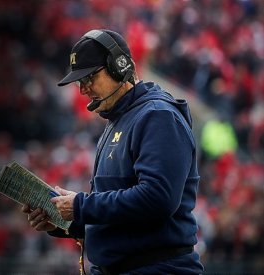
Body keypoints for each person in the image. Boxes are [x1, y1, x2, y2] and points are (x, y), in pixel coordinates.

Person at [21, 29, 204, 274]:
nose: (83, 89)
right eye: (79, 82)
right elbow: (122, 217)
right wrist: (64, 220)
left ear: (119, 67)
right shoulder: (119, 120)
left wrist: (81, 206)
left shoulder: (157, 116)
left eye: (89, 78)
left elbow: (159, 198)